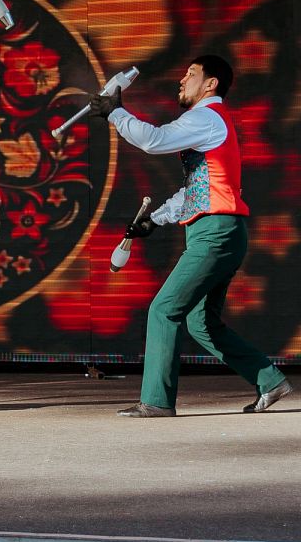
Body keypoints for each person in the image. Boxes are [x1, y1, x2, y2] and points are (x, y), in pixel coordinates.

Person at [90, 55, 291, 417]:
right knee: (201, 323)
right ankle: (269, 380)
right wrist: (155, 220)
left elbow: (154, 140)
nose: (181, 80)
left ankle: (156, 401)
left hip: (215, 234)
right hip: (217, 233)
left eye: (191, 74)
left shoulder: (206, 116)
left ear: (211, 84)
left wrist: (116, 113)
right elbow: (195, 188)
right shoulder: (211, 122)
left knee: (164, 309)